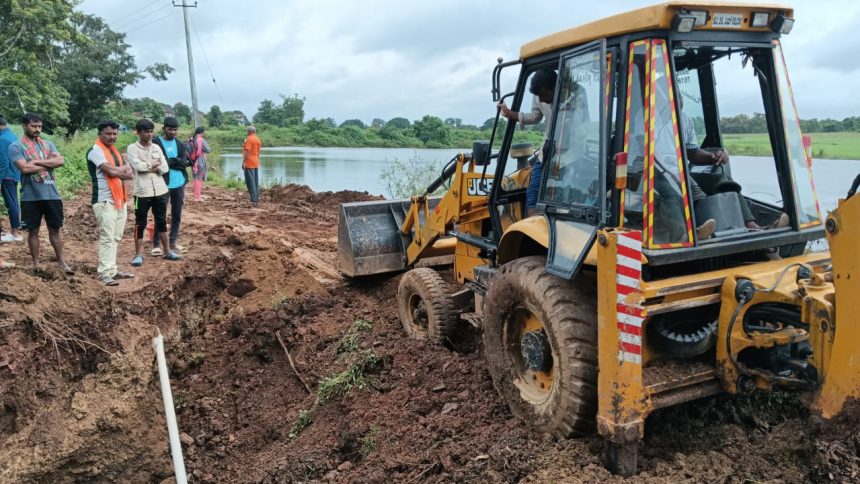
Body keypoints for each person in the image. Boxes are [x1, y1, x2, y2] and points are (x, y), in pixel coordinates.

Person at [679, 105, 788, 231]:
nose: (678, 97)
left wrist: (713, 156)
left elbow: (693, 153)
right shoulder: (654, 118)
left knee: (723, 181)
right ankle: (688, 234)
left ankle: (753, 227)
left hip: (683, 172)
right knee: (678, 190)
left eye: (679, 93)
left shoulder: (684, 119)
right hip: (662, 174)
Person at [9, 113, 72, 273]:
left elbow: (61, 161)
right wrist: (49, 164)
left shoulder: (48, 144)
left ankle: (61, 262)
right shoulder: (16, 146)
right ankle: (36, 263)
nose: (37, 129)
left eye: (39, 127)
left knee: (55, 230)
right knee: (33, 231)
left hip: (52, 194)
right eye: (33, 126)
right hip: (30, 196)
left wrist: (36, 162)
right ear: (25, 126)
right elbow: (24, 168)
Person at [498, 68, 557, 211]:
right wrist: (510, 114)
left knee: (558, 194)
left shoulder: (572, 94)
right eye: (538, 96)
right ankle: (531, 230)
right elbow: (536, 117)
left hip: (568, 153)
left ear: (555, 87)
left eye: (544, 95)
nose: (541, 99)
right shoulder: (539, 95)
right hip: (548, 151)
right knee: (533, 193)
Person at [126, 119, 181, 267]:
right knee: (140, 223)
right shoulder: (132, 148)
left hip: (160, 190)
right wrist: (152, 166)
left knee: (161, 221)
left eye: (151, 131)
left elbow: (165, 168)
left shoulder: (156, 147)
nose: (149, 134)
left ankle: (167, 251)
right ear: (138, 133)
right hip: (141, 193)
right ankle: (138, 254)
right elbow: (138, 166)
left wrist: (150, 167)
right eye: (146, 132)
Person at [87, 120, 135, 285]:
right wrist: (123, 167)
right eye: (108, 133)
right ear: (99, 134)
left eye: (115, 133)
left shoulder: (113, 152)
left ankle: (112, 270)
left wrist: (119, 169)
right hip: (104, 200)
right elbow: (111, 171)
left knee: (116, 237)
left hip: (119, 199)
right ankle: (104, 273)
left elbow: (129, 175)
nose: (112, 136)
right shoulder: (95, 151)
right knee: (107, 237)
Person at [152, 117, 191, 256]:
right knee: (160, 213)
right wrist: (175, 161)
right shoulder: (156, 143)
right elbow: (159, 163)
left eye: (175, 130)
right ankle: (156, 244)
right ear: (164, 129)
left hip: (179, 182)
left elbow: (184, 162)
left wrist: (171, 161)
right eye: (170, 129)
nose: (173, 132)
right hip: (162, 183)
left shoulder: (180, 144)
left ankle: (173, 241)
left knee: (177, 213)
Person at [0, 114, 22, 242]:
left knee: (11, 204)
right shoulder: (12, 136)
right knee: (13, 202)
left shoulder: (2, 139)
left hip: (6, 175)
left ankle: (15, 233)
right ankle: (15, 231)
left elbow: (2, 161)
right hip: (13, 174)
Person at [190, 126, 210, 202]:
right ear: (202, 132)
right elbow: (208, 149)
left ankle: (197, 195)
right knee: (199, 179)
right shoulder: (200, 139)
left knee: (195, 178)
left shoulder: (192, 139)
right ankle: (197, 197)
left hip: (193, 160)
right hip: (199, 161)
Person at [242, 126, 262, 204]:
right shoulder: (258, 139)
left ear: (249, 131)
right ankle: (255, 197)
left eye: (247, 131)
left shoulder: (249, 139)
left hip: (249, 162)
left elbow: (247, 151)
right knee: (255, 181)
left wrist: (243, 162)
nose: (247, 132)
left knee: (250, 181)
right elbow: (258, 152)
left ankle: (253, 199)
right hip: (256, 161)